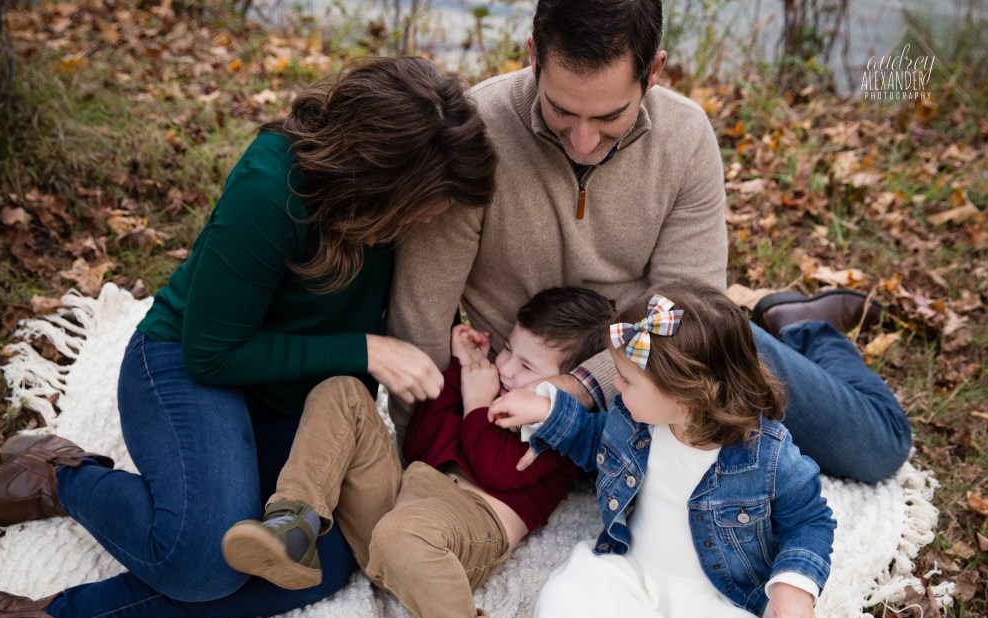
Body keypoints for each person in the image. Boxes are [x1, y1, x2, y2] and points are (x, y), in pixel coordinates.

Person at [0, 56, 497, 618]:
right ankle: (59, 478)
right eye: (422, 208)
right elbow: (212, 352)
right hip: (188, 369)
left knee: (317, 563)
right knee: (201, 561)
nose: (430, 220)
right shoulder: (271, 187)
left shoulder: (399, 209)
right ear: (377, 176)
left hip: (288, 400)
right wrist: (364, 350)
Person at [387, 0, 911, 485]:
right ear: (533, 57)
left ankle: (804, 331)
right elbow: (421, 317)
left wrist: (582, 386)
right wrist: (425, 456)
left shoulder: (685, 138)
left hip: (663, 369)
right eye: (561, 110)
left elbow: (690, 321)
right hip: (522, 387)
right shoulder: (469, 136)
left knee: (876, 450)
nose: (583, 141)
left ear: (653, 72)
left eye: (609, 117)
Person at [220, 286, 617, 618]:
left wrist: (477, 400)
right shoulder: (489, 387)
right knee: (342, 391)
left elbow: (494, 468)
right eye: (508, 349)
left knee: (401, 534)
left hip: (465, 530)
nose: (505, 367)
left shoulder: (557, 427)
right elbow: (419, 445)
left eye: (526, 367)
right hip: (406, 500)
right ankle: (294, 521)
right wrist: (460, 373)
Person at [487, 281, 836, 618]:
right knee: (561, 598)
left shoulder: (766, 455)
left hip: (719, 600)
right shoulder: (632, 420)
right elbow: (594, 442)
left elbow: (810, 519)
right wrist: (547, 412)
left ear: (684, 399)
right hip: (633, 574)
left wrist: (795, 586)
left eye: (627, 380)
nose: (616, 387)